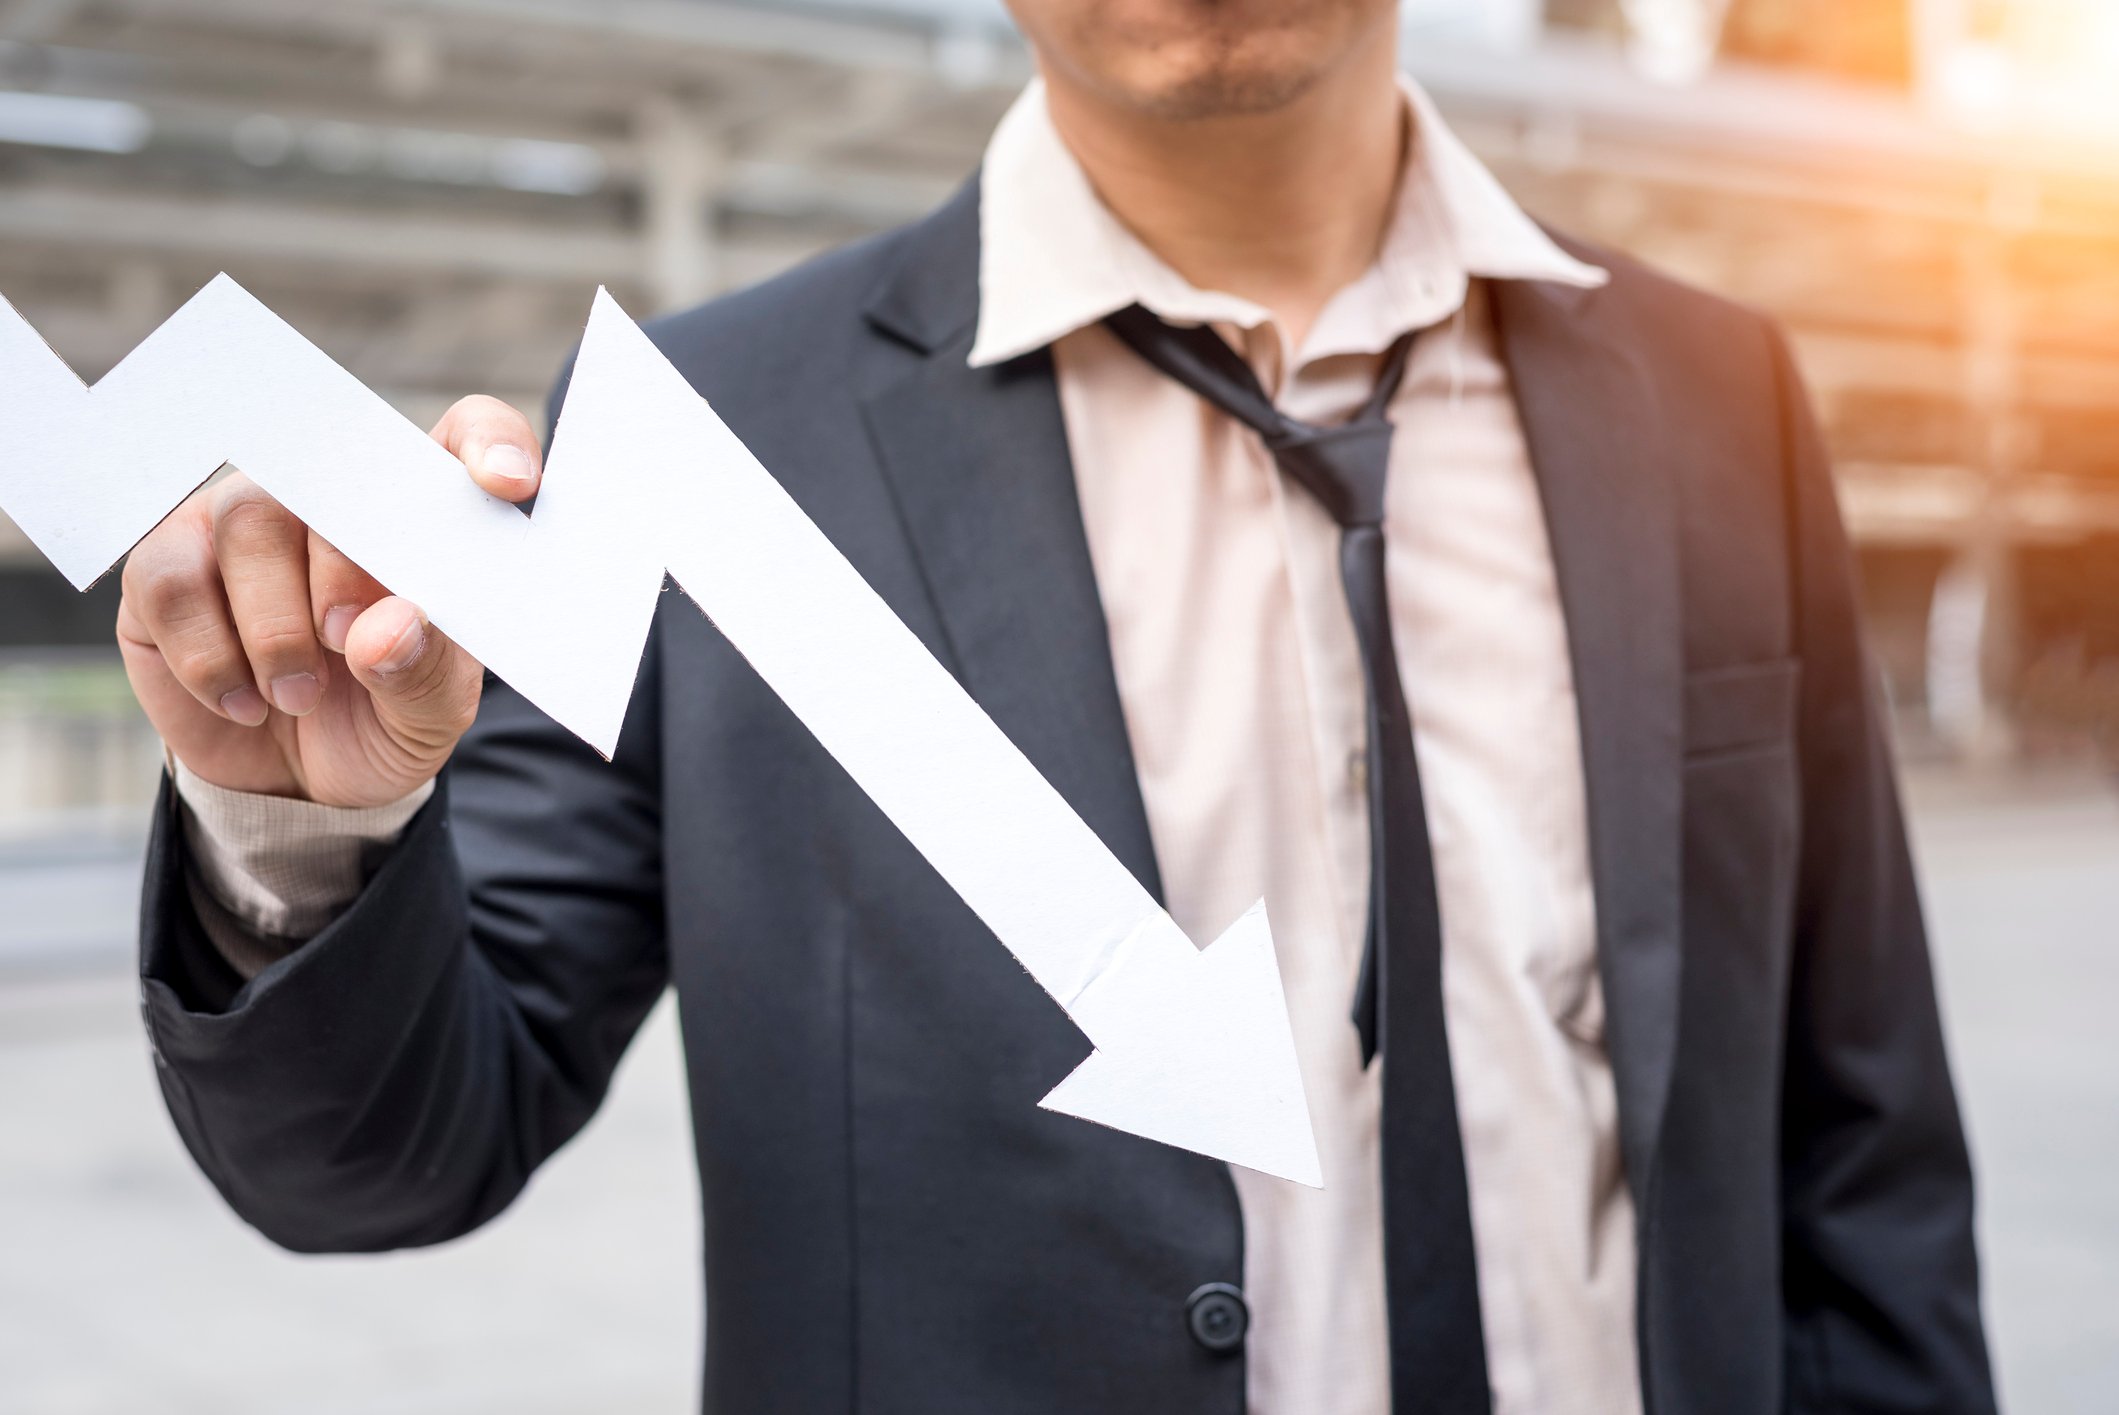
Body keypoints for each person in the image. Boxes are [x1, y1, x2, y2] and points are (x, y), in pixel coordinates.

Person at [115, 2, 1996, 1412]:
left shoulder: (1712, 396)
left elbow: (1862, 1140)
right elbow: (390, 1153)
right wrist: (312, 826)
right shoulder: (708, 436)